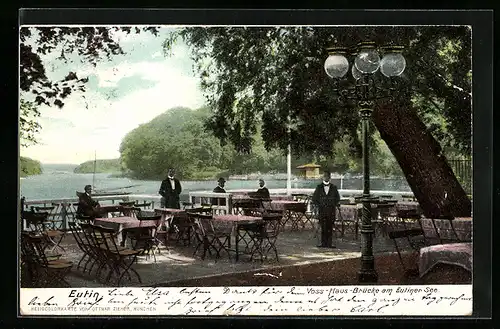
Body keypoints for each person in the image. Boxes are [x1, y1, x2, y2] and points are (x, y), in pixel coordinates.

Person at [311, 170, 340, 248]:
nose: (326, 177)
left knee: (330, 227)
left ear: (330, 178)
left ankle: (329, 243)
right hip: (322, 210)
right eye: (325, 176)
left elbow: (337, 198)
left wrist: (333, 204)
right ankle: (323, 243)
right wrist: (319, 205)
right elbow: (314, 198)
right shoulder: (319, 187)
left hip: (331, 210)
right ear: (323, 177)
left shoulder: (334, 187)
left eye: (327, 176)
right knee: (323, 227)